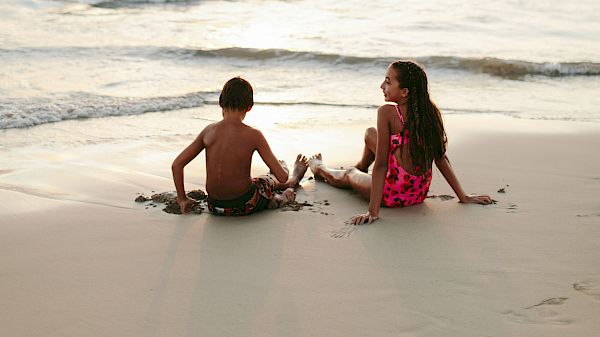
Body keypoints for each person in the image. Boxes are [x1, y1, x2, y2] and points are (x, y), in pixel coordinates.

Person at [308, 61, 492, 225]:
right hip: (418, 193)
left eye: (388, 82)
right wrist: (463, 196)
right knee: (371, 133)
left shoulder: (387, 113)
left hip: (391, 195)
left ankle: (320, 168)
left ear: (404, 92)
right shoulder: (430, 113)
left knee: (349, 174)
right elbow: (441, 158)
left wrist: (372, 212)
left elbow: (380, 166)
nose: (382, 86)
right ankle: (362, 166)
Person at [172, 77, 308, 215]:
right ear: (249, 107)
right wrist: (282, 171)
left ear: (220, 103)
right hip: (244, 204)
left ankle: (276, 189)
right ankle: (290, 185)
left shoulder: (208, 131)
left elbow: (177, 165)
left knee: (259, 180)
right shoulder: (254, 135)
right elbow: (282, 177)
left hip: (215, 207)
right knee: (267, 179)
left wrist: (182, 199)